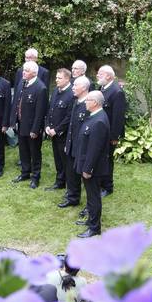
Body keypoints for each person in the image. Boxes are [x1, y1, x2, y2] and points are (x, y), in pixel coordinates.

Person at [75, 90, 110, 238]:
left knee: (94, 197)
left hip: (93, 168)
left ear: (95, 103)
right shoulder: (95, 117)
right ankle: (91, 221)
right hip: (87, 164)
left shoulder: (99, 121)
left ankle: (94, 228)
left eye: (88, 100)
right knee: (90, 196)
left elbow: (94, 149)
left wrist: (88, 169)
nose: (85, 102)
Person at [10, 61, 48, 189]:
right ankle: (25, 173)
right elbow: (17, 101)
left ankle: (35, 177)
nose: (23, 72)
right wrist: (13, 120)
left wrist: (35, 129)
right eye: (23, 70)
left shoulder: (40, 88)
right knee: (23, 150)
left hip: (32, 127)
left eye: (26, 71)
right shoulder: (22, 82)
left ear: (34, 73)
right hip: (21, 123)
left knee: (34, 152)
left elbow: (40, 111)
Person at [59, 76, 90, 209]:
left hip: (82, 148)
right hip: (72, 145)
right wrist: (68, 144)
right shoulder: (76, 102)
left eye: (75, 85)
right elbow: (71, 126)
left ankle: (89, 205)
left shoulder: (89, 105)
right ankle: (72, 197)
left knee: (84, 177)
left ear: (83, 88)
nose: (72, 87)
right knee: (71, 173)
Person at [97, 65, 126, 197]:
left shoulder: (117, 92)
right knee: (99, 159)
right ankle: (100, 182)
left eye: (100, 73)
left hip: (109, 134)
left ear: (108, 76)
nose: (97, 75)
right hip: (99, 132)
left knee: (107, 160)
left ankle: (108, 186)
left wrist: (114, 137)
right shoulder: (102, 88)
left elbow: (118, 117)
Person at [44, 68, 74, 191]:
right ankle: (60, 181)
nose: (56, 80)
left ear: (67, 79)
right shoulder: (56, 90)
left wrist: (56, 130)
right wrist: (47, 125)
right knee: (57, 159)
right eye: (56, 77)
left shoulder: (72, 94)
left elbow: (69, 117)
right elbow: (50, 110)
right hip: (52, 132)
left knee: (65, 160)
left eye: (59, 78)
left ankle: (70, 184)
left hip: (64, 134)